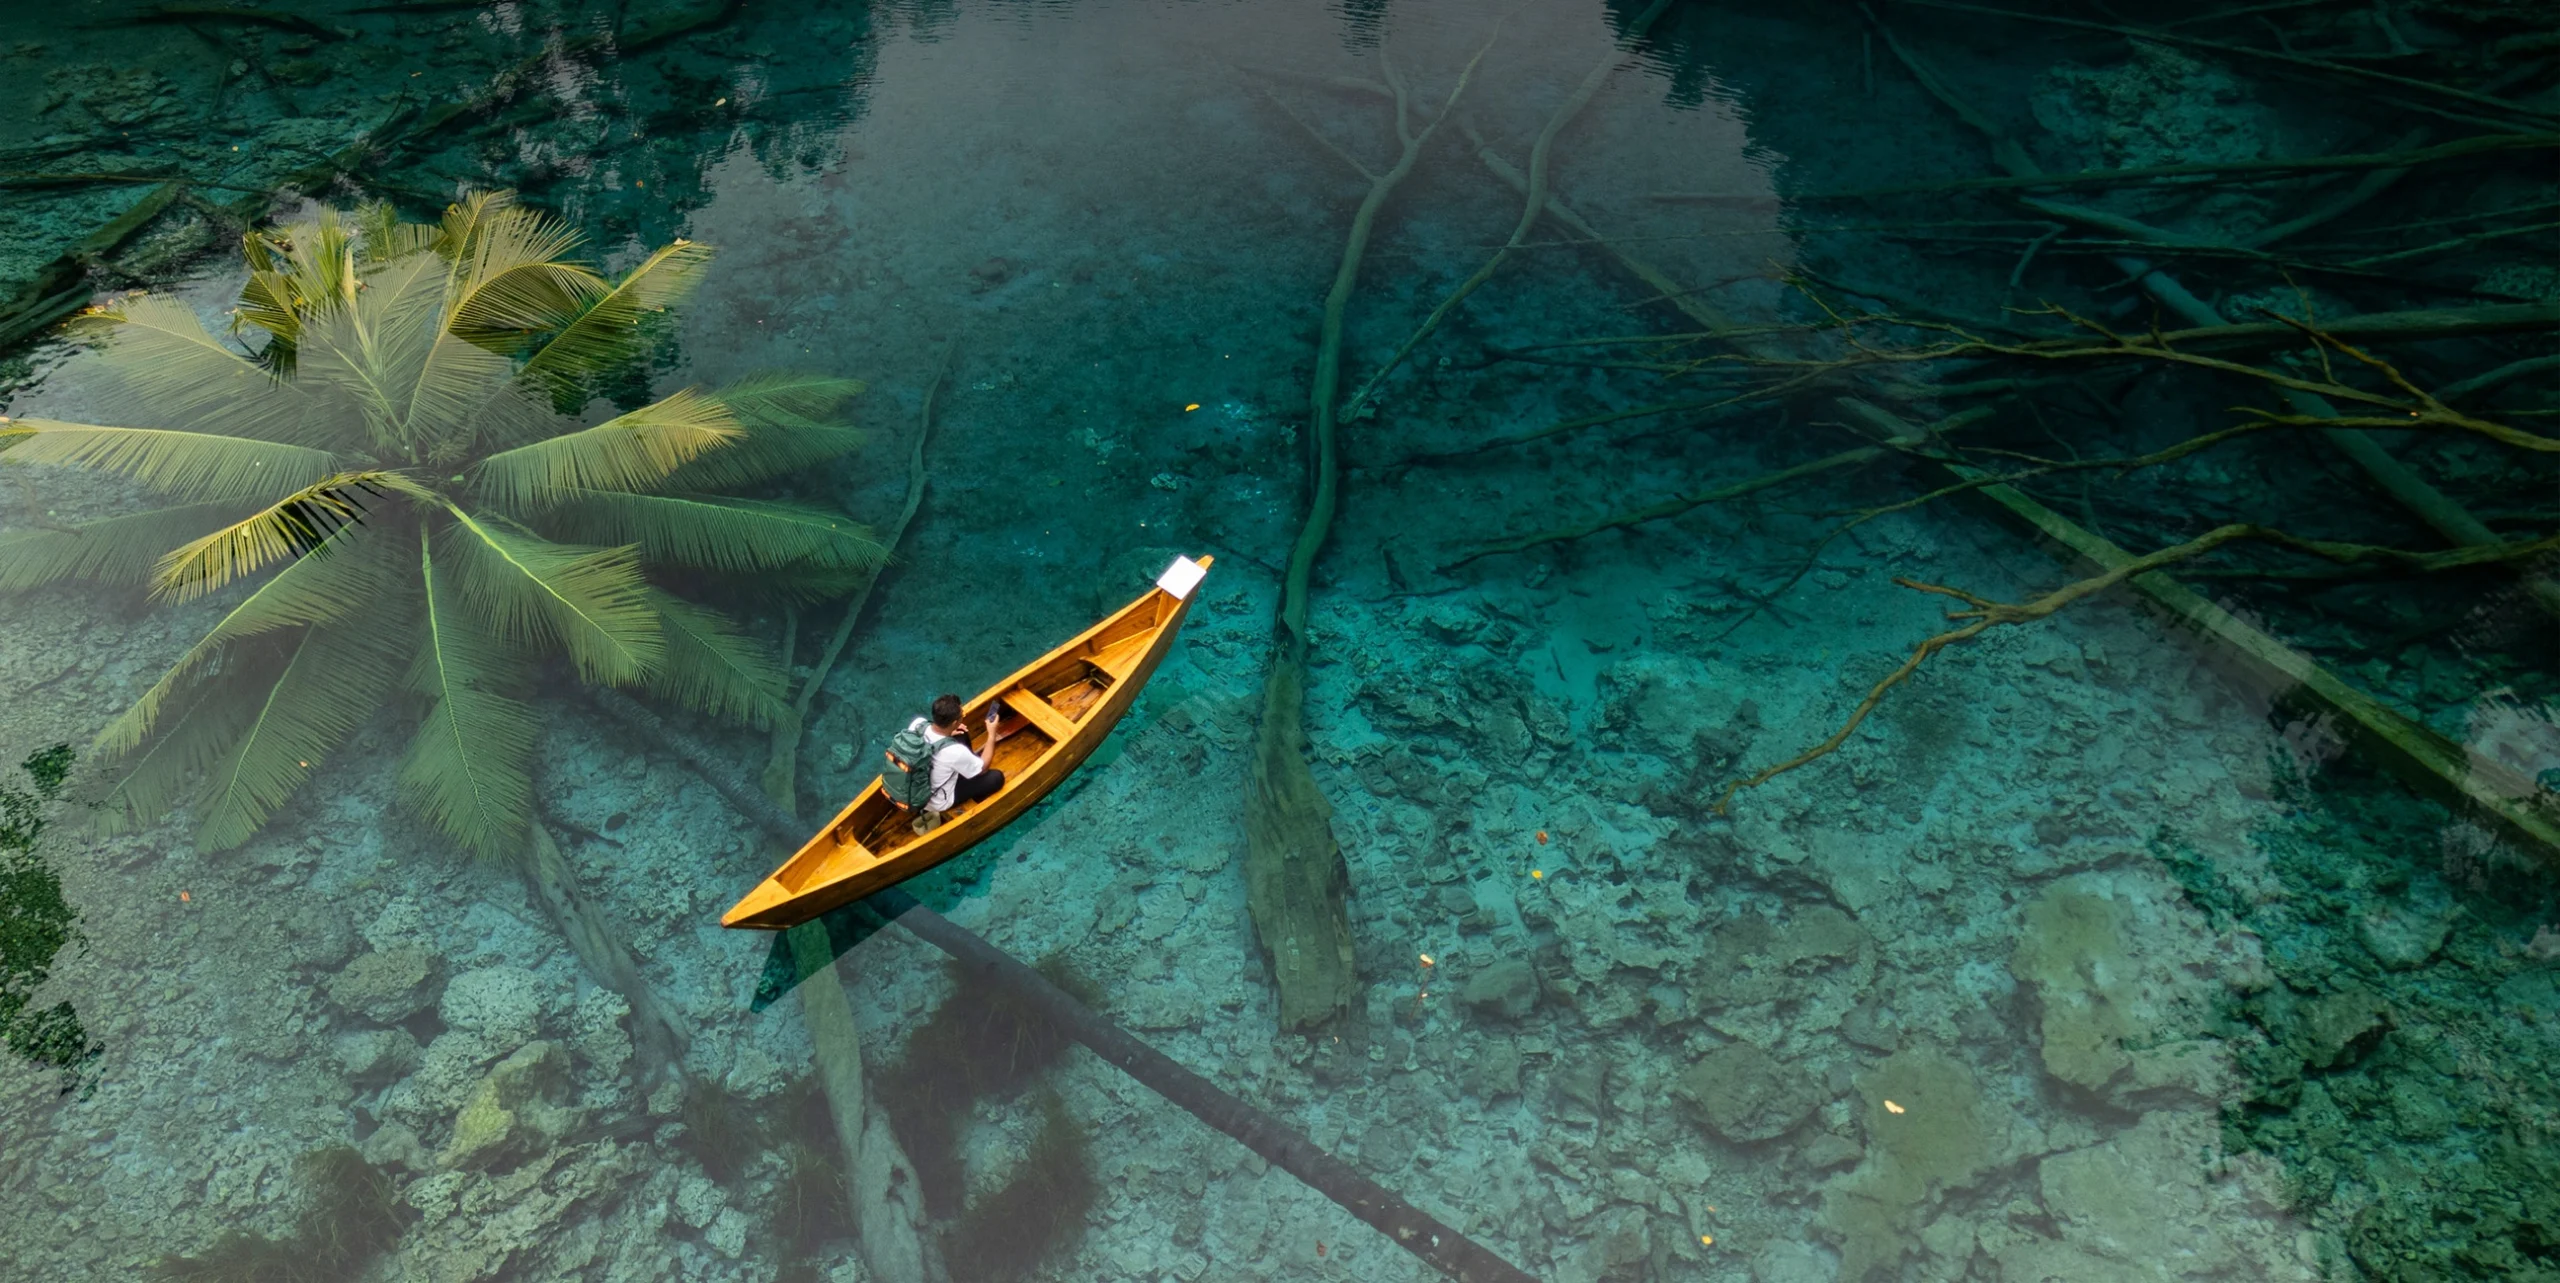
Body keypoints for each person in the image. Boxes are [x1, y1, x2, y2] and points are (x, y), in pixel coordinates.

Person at [904, 693, 1005, 833]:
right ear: (953, 723)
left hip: (916, 786)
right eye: (961, 715)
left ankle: (969, 765)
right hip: (938, 801)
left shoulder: (918, 724)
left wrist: (949, 733)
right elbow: (984, 768)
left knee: (961, 733)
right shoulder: (955, 752)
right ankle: (975, 786)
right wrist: (992, 734)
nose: (963, 715)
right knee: (996, 778)